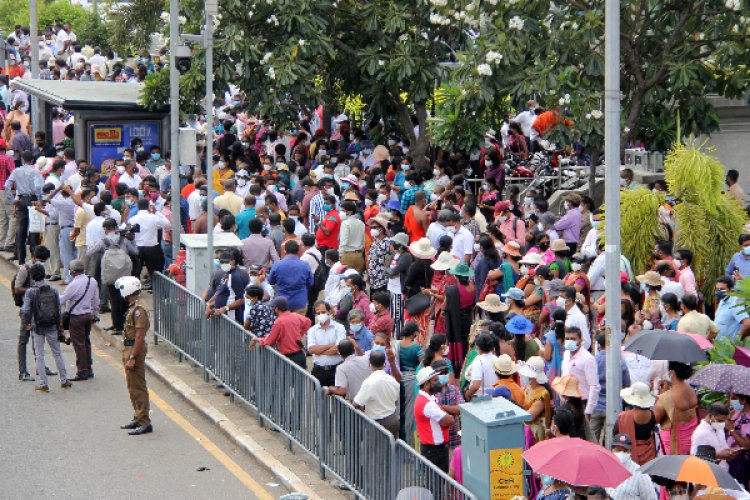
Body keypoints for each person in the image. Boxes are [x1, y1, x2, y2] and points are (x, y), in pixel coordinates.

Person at [21, 263, 70, 392]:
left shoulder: (30, 292)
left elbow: (25, 311)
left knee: (40, 355)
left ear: (32, 276)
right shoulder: (53, 290)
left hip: (37, 327)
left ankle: (43, 384)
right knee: (57, 353)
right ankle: (64, 380)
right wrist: (60, 328)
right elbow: (59, 311)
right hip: (52, 326)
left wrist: (27, 324)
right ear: (43, 274)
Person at [114, 276, 153, 435]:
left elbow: (139, 336)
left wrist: (132, 357)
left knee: (138, 387)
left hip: (133, 350)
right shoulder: (133, 307)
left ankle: (144, 421)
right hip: (129, 348)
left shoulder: (139, 311)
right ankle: (138, 416)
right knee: (132, 386)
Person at [13, 245, 50, 381]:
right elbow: (17, 288)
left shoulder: (41, 268)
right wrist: (33, 290)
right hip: (26, 310)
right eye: (40, 260)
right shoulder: (24, 269)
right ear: (33, 257)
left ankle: (41, 367)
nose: (41, 262)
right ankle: (22, 371)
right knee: (24, 339)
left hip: (39, 309)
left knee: (39, 339)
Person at [250, 296, 311, 369]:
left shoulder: (279, 322)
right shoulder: (295, 316)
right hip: (300, 356)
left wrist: (256, 339)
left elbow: (268, 341)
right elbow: (308, 322)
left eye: (272, 307)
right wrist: (300, 333)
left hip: (289, 359)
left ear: (276, 309)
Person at [592, 333, 631, 444]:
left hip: (596, 405)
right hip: (614, 406)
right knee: (611, 440)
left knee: (592, 438)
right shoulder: (619, 361)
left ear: (599, 345)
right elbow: (627, 383)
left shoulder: (594, 360)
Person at [414, 367, 455, 472]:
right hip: (434, 451)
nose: (439, 383)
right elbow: (449, 421)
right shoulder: (428, 404)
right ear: (426, 384)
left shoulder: (428, 399)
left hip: (434, 449)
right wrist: (450, 416)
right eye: (435, 380)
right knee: (435, 484)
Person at [6, 150, 43, 264]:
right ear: (33, 160)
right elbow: (38, 187)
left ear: (22, 159)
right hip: (32, 200)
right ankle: (34, 258)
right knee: (34, 228)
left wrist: (13, 200)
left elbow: (7, 185)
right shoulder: (35, 172)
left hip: (21, 200)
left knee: (21, 229)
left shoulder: (17, 171)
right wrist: (38, 198)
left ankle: (21, 259)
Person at [653, 361, 698, 455]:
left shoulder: (666, 397)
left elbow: (655, 419)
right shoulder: (691, 391)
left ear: (672, 372)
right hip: (692, 440)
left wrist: (661, 395)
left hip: (674, 444)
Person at [353, 350, 400, 438]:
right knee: (392, 449)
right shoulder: (391, 380)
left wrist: (362, 408)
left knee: (374, 450)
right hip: (393, 419)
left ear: (369, 365)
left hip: (377, 423)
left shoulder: (369, 382)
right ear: (384, 365)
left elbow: (356, 403)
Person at [129, 199, 171, 289]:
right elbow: (168, 224)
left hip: (137, 248)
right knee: (154, 271)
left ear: (138, 207)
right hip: (152, 248)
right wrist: (157, 212)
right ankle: (155, 289)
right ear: (148, 207)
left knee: (136, 270)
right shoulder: (154, 217)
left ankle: (135, 290)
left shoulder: (133, 219)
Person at [615, 382, 658, 465]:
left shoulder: (623, 416)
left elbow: (615, 433)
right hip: (649, 456)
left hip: (629, 455)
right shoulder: (652, 415)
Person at [561, 327, 599, 420]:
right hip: (567, 400)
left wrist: (588, 410)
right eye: (567, 338)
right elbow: (564, 376)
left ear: (580, 340)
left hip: (581, 403)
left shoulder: (587, 358)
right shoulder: (566, 354)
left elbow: (594, 386)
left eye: (573, 339)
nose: (569, 341)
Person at [268, 240, 314, 315]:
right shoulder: (305, 265)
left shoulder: (277, 265)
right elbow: (311, 283)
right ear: (298, 251)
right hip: (300, 302)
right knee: (299, 325)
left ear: (285, 251)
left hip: (282, 304)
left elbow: (271, 281)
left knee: (284, 325)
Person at [606, 433, 657, 500]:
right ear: (612, 450)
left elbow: (651, 498)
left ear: (630, 452)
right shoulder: (605, 468)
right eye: (618, 450)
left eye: (625, 451)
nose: (621, 453)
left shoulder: (640, 473)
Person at [307, 301, 347, 386]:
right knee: (318, 397)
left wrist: (319, 351)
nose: (321, 314)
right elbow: (312, 349)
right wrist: (331, 345)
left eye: (323, 312)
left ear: (329, 312)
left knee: (338, 398)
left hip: (336, 369)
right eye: (318, 313)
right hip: (318, 370)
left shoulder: (339, 327)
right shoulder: (312, 330)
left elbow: (339, 349)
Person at [206, 250, 249, 324]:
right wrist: (209, 304)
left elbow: (241, 300)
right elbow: (219, 292)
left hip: (233, 317)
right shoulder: (226, 275)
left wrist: (225, 308)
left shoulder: (235, 277)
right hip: (223, 316)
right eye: (222, 262)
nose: (224, 264)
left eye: (226, 262)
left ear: (233, 262)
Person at [691, 403, 737, 470]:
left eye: (724, 421)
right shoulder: (701, 433)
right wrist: (718, 455)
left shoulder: (718, 428)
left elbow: (723, 448)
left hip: (723, 470)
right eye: (720, 421)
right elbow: (696, 456)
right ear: (710, 416)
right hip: (709, 473)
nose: (723, 423)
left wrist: (729, 453)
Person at [464, 333, 499, 401]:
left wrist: (468, 394)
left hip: (481, 398)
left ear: (478, 347)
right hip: (495, 396)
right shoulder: (496, 359)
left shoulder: (479, 361)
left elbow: (476, 385)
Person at [727, 394, 750, 488]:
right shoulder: (737, 411)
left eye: (734, 398)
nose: (731, 401)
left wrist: (731, 429)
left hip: (741, 460)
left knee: (738, 488)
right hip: (730, 457)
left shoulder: (748, 419)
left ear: (743, 400)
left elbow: (746, 445)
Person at [338, 200, 365, 273]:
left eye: (343, 211)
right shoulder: (361, 223)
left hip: (347, 254)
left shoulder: (345, 223)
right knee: (357, 279)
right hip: (359, 255)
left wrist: (340, 254)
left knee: (346, 280)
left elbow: (344, 241)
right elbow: (363, 240)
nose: (341, 213)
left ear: (349, 212)